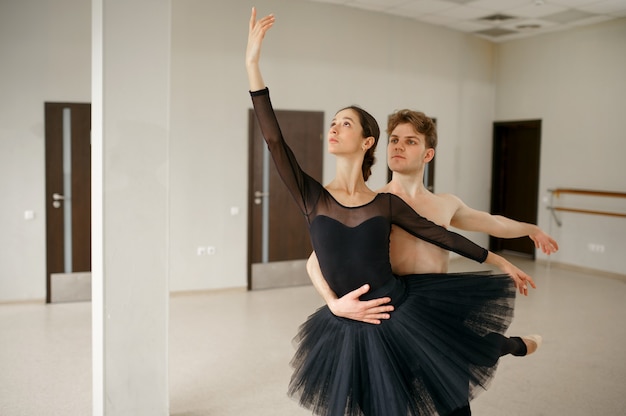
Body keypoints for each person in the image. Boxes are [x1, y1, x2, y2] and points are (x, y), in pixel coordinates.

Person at [246, 8, 533, 416]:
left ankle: (509, 345)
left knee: (449, 388)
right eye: (333, 122)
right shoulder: (313, 197)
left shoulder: (385, 202)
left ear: (366, 142)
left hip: (400, 308)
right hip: (346, 324)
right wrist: (252, 64)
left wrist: (500, 259)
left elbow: (441, 235)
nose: (334, 128)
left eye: (345, 124)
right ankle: (508, 346)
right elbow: (274, 141)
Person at [305, 109, 557, 414]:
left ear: (428, 154)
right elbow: (316, 258)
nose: (398, 146)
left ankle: (511, 345)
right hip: (393, 312)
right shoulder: (373, 203)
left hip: (437, 306)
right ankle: (512, 345)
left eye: (410, 142)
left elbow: (494, 223)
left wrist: (532, 230)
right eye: (394, 139)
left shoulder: (445, 204)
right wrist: (333, 302)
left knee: (453, 394)